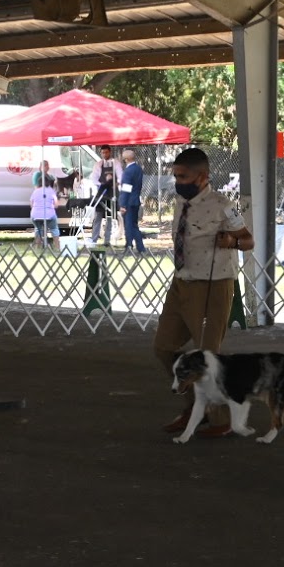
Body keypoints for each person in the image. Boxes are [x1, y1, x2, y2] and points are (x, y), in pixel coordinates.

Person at [153, 147, 255, 437]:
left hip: (213, 285)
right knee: (163, 347)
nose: (177, 181)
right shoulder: (179, 202)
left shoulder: (223, 205)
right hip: (182, 281)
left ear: (202, 177)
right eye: (175, 175)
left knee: (208, 355)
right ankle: (193, 406)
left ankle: (221, 419)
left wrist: (230, 243)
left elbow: (248, 241)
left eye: (183, 176)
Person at [88, 144, 121, 247]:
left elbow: (121, 176)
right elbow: (94, 178)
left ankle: (107, 241)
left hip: (112, 193)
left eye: (106, 152)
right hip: (101, 193)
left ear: (110, 152)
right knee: (98, 216)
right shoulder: (98, 164)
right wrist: (102, 184)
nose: (104, 154)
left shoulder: (116, 163)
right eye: (103, 153)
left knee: (110, 216)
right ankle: (94, 239)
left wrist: (116, 183)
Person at [118, 148, 147, 254]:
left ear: (126, 159)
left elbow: (126, 188)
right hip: (136, 200)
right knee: (134, 224)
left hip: (129, 202)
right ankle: (140, 247)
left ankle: (129, 245)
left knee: (129, 225)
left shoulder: (128, 171)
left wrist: (123, 204)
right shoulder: (138, 169)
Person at [29, 172, 60, 252]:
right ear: (49, 182)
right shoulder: (51, 191)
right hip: (49, 215)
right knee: (54, 228)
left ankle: (37, 247)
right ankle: (57, 246)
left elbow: (31, 204)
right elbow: (56, 205)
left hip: (35, 215)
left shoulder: (35, 191)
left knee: (38, 229)